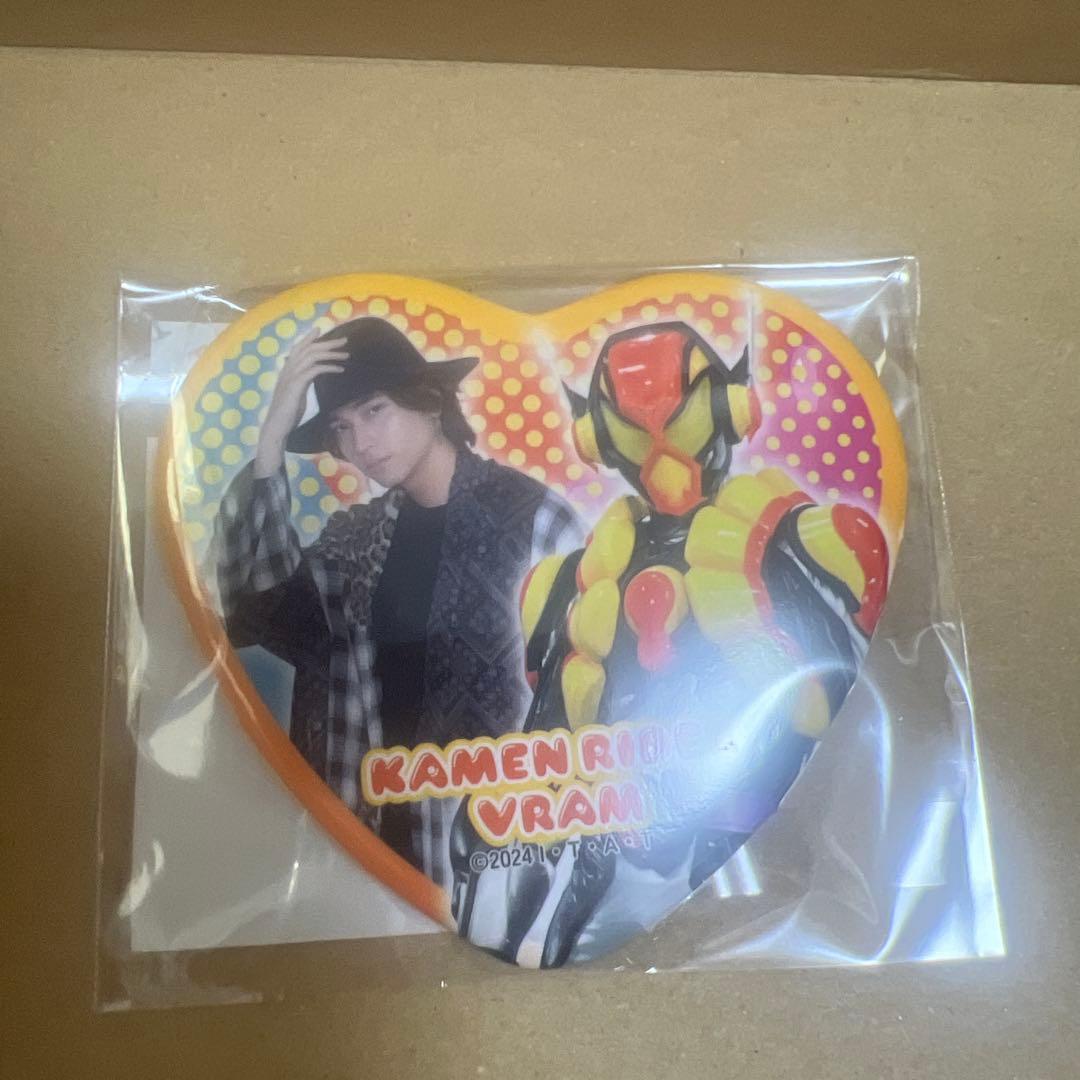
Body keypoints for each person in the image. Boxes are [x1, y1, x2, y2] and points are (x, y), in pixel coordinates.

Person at [214, 317, 581, 884]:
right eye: (341, 426)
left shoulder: (535, 520)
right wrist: (271, 444)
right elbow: (254, 611)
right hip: (363, 841)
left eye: (374, 411)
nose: (359, 443)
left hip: (497, 852)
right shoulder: (353, 541)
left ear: (430, 402)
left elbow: (587, 695)